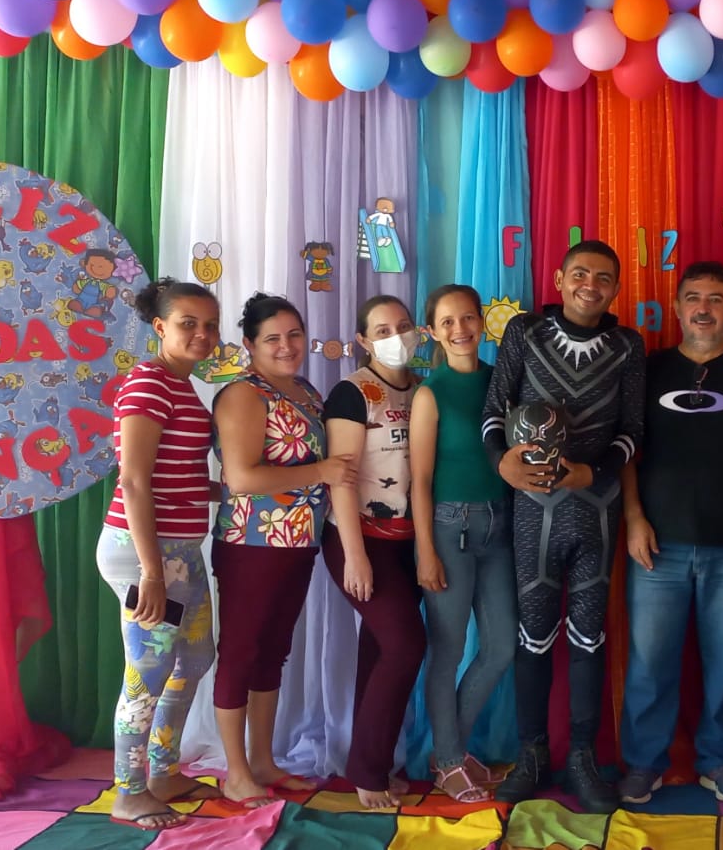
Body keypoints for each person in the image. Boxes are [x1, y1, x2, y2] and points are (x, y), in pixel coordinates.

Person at [484, 240, 646, 813]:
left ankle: (582, 757)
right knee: (533, 633)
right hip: (532, 511)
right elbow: (494, 409)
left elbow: (633, 431)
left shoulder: (628, 346)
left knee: (588, 636)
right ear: (559, 278)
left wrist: (591, 473)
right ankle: (531, 754)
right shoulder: (525, 333)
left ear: (615, 289)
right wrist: (501, 462)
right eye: (580, 273)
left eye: (602, 278)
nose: (589, 285)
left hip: (597, 510)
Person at [618, 262, 723, 807]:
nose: (703, 308)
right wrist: (634, 518)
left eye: (715, 298)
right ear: (677, 307)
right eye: (693, 297)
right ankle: (644, 763)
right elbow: (626, 452)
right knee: (650, 662)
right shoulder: (650, 369)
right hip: (657, 546)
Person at [210, 293, 356, 808]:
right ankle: (235, 772)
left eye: (294, 334)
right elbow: (242, 478)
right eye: (272, 338)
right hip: (251, 544)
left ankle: (263, 761)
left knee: (273, 651)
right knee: (241, 652)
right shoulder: (242, 395)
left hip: (298, 543)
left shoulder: (305, 391)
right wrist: (322, 471)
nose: (286, 345)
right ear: (249, 345)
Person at [96, 278, 223, 832]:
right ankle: (129, 792)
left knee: (194, 659)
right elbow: (134, 480)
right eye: (188, 323)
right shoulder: (149, 382)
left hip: (180, 552)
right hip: (143, 553)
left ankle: (164, 772)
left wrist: (227, 490)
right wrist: (150, 571)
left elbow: (175, 475)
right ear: (160, 328)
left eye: (209, 325)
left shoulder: (181, 386)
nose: (202, 334)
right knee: (147, 672)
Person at [322, 295, 429, 809]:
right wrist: (355, 555)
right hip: (360, 539)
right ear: (363, 341)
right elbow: (341, 478)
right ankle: (367, 771)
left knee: (382, 649)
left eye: (403, 326)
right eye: (383, 330)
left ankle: (375, 761)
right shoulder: (353, 392)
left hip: (410, 543)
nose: (397, 337)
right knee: (406, 646)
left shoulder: (424, 389)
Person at [410, 284, 515, 803]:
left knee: (500, 648)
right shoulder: (431, 393)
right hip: (450, 528)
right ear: (432, 331)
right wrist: (426, 550)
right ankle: (450, 760)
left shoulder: (502, 383)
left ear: (482, 322)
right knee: (448, 651)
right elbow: (420, 480)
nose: (460, 329)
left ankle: (449, 750)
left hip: (501, 526)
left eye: (468, 318)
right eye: (448, 321)